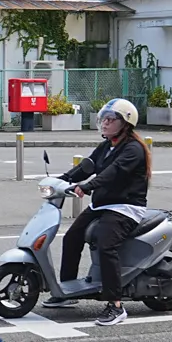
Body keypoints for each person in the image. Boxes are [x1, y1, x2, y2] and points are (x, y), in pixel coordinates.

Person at [56, 97, 151, 326]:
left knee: (106, 244)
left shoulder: (133, 149)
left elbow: (113, 173)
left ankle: (116, 305)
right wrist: (63, 179)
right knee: (71, 237)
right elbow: (87, 165)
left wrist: (87, 186)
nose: (105, 124)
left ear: (125, 124)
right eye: (104, 119)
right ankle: (67, 291)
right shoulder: (107, 145)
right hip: (102, 204)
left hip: (126, 208)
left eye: (111, 120)